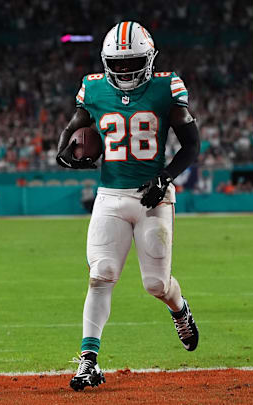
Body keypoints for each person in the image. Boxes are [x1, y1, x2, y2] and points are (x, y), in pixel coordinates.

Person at [55, 21, 200, 392]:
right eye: (116, 63)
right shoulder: (93, 88)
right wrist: (63, 150)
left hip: (154, 196)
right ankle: (88, 360)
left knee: (155, 284)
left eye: (131, 62)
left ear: (149, 59)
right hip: (111, 196)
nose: (123, 70)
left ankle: (179, 308)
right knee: (100, 274)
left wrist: (165, 177)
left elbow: (192, 146)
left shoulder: (167, 87)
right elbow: (75, 124)